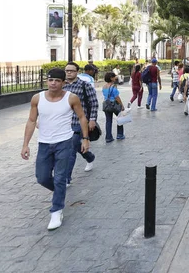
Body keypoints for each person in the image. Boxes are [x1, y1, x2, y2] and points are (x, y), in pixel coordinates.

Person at [20, 68, 89, 230]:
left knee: (59, 178)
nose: (53, 83)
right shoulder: (37, 99)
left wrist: (85, 139)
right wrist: (25, 144)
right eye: (51, 80)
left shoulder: (71, 98)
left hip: (64, 142)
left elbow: (81, 117)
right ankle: (60, 192)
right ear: (47, 81)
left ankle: (56, 210)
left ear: (63, 83)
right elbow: (31, 121)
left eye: (57, 81)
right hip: (44, 143)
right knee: (42, 177)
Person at [63, 62, 98, 187]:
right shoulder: (61, 86)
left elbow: (94, 103)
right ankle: (89, 157)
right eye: (67, 70)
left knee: (71, 150)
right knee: (76, 146)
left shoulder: (85, 85)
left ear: (77, 72)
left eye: (71, 70)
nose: (69, 73)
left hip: (78, 122)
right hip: (64, 123)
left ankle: (66, 178)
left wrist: (92, 119)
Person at [102, 72, 125, 141]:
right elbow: (117, 97)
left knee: (108, 121)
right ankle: (120, 135)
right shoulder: (113, 87)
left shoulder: (104, 86)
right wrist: (121, 105)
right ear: (111, 78)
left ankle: (108, 137)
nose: (116, 77)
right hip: (114, 104)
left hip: (106, 104)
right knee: (120, 119)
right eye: (114, 76)